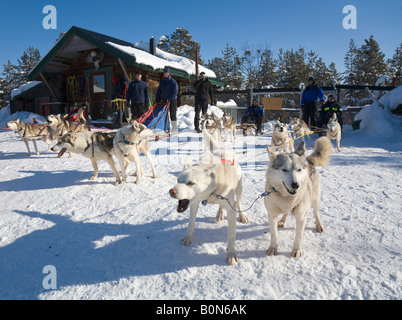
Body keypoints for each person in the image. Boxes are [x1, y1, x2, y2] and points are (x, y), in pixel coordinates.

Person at [156, 67, 179, 133]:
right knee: (165, 115)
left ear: (169, 73)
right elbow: (159, 91)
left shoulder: (173, 81)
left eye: (167, 72)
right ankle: (166, 128)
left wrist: (169, 99)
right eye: (164, 73)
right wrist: (157, 99)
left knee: (172, 114)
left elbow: (175, 92)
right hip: (164, 100)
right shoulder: (162, 82)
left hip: (172, 100)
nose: (166, 74)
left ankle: (174, 129)